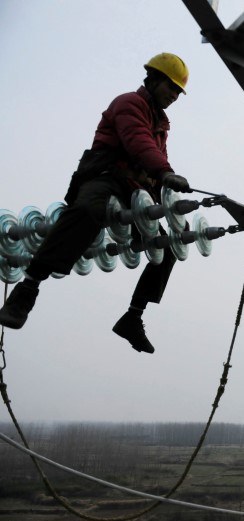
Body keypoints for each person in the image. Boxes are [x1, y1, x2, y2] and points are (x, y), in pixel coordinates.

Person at [0, 53, 192, 354]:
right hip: (106, 176)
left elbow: (157, 159)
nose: (173, 96)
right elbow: (137, 141)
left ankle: (133, 316)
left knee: (168, 244)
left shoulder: (161, 123)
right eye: (170, 87)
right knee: (87, 211)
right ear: (154, 79)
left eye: (178, 93)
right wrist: (166, 173)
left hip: (135, 187)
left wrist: (169, 202)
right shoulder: (129, 103)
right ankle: (27, 289)